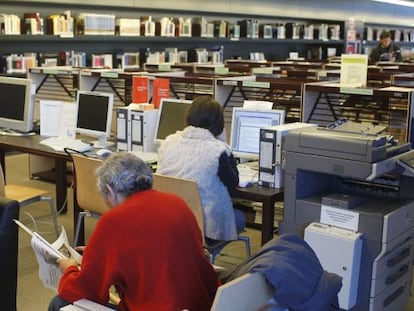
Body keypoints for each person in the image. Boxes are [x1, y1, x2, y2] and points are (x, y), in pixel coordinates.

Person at [48, 153, 219, 311]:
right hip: (204, 305)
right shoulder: (177, 203)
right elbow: (154, 254)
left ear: (110, 191)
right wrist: (101, 256)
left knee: (60, 303)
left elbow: (85, 291)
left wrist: (69, 269)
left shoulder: (113, 221)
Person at [156, 96, 244, 243]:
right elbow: (233, 181)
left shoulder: (168, 142)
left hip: (169, 221)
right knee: (240, 218)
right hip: (204, 228)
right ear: (219, 124)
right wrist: (221, 141)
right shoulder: (218, 150)